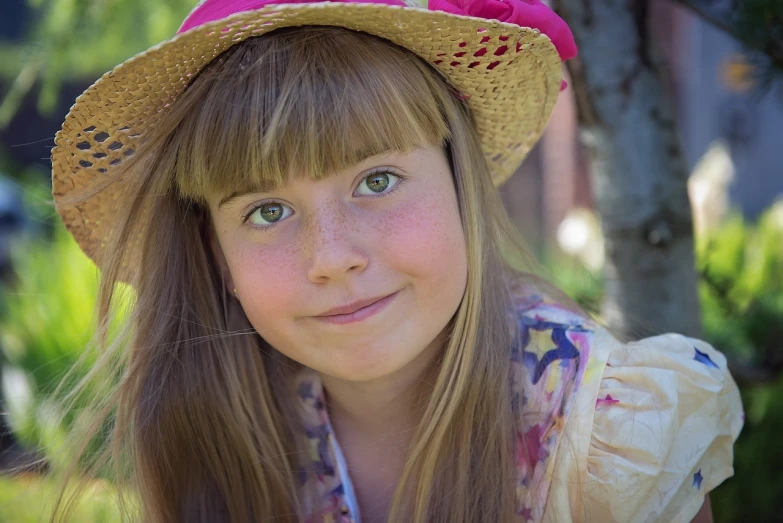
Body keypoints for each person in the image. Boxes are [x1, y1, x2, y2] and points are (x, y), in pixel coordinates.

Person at [48, 0, 744, 521]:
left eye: (376, 181)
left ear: (458, 179)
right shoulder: (225, 414)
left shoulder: (605, 439)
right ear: (212, 250)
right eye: (266, 210)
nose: (332, 259)